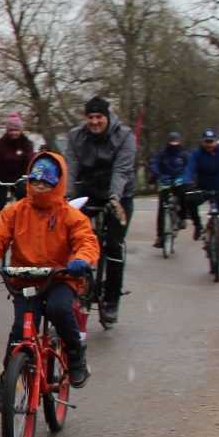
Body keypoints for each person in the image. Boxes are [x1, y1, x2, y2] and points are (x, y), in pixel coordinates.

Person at [0, 152, 99, 409]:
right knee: (20, 331)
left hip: (60, 277)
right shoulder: (16, 211)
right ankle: (7, 382)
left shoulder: (70, 215)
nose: (39, 186)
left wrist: (81, 260)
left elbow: (86, 241)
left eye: (46, 182)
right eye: (35, 180)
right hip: (25, 279)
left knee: (59, 309)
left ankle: (75, 354)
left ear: (57, 184)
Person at [63, 95, 136, 326]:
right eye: (90, 117)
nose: (94, 121)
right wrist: (64, 196)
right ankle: (74, 288)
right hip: (88, 192)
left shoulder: (125, 136)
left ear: (107, 117)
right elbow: (70, 168)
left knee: (113, 245)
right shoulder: (76, 136)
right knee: (72, 239)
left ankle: (112, 300)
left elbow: (122, 171)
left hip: (119, 194)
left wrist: (114, 197)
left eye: (99, 117)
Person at [182, 128, 219, 263]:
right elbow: (189, 168)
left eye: (211, 141)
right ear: (202, 141)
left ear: (216, 141)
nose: (209, 144)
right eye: (206, 142)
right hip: (203, 188)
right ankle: (198, 226)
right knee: (190, 200)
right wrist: (186, 183)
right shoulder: (197, 153)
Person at [0, 112, 34, 221]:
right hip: (3, 179)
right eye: (11, 130)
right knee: (0, 207)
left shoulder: (26, 144)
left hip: (20, 180)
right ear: (7, 131)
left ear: (20, 130)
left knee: (23, 204)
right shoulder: (0, 143)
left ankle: (23, 224)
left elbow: (31, 160)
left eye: (16, 130)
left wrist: (32, 174)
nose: (13, 133)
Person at [148, 132, 190, 249]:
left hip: (179, 181)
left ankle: (182, 217)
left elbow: (190, 166)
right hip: (165, 181)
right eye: (172, 142)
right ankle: (160, 236)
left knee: (184, 197)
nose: (174, 144)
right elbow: (154, 163)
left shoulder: (184, 155)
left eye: (176, 142)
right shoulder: (162, 154)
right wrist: (156, 173)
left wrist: (188, 178)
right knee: (162, 207)